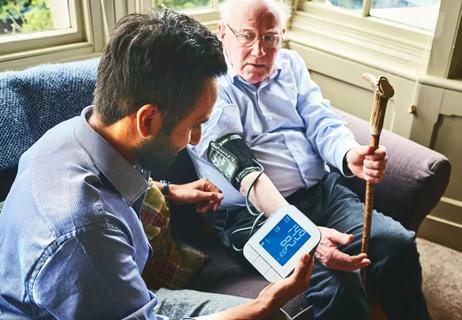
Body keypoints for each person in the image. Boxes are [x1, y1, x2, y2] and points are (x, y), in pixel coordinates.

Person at [0, 10, 314, 320]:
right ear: (147, 120)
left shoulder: (70, 135)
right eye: (194, 125)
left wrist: (170, 190)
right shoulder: (85, 237)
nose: (195, 139)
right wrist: (261, 304)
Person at [188, 0, 431, 319]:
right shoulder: (210, 88)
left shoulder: (291, 65)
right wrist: (301, 230)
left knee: (394, 242)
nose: (259, 50)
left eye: (270, 37)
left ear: (282, 35)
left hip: (322, 193)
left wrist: (348, 153)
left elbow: (322, 120)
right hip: (253, 218)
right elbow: (244, 171)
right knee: (336, 284)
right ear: (223, 33)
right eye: (247, 35)